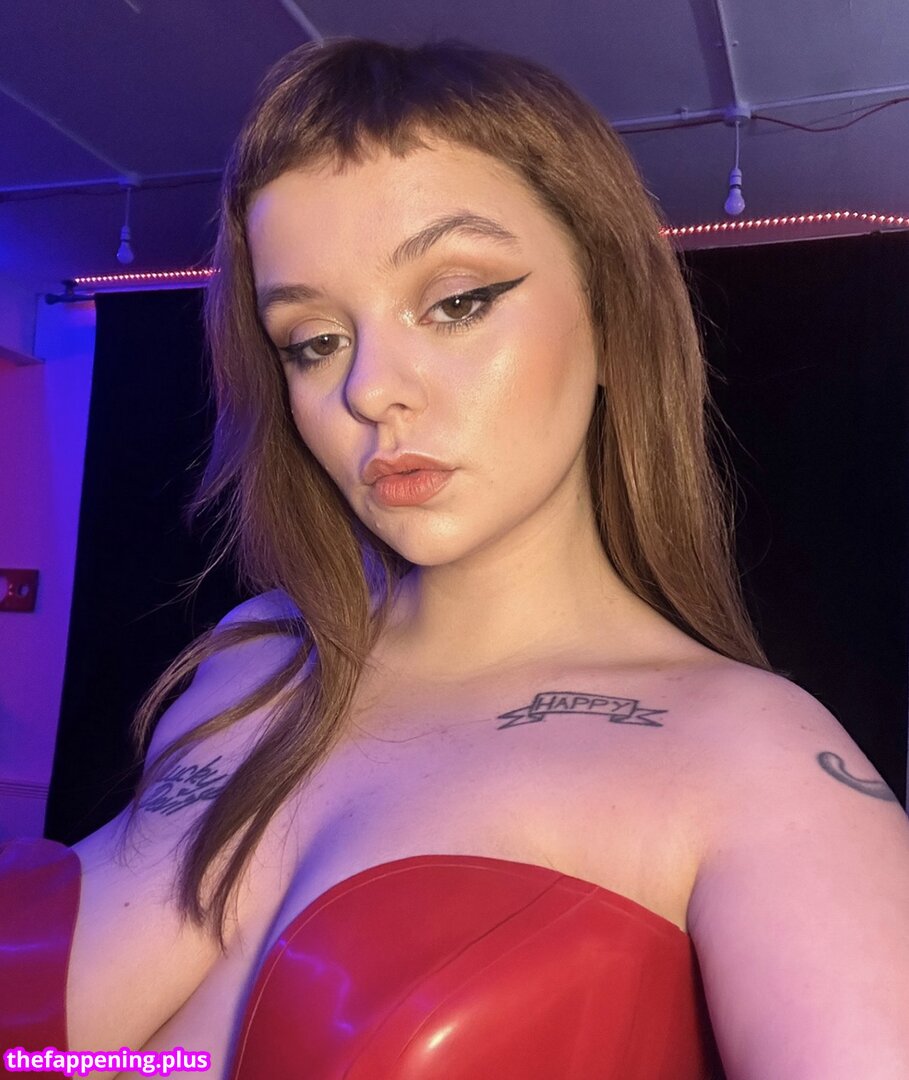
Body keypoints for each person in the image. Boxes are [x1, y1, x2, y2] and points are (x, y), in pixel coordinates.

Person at [2, 35, 908, 1080]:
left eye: (457, 301)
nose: (369, 390)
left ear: (613, 318)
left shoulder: (749, 759)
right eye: (314, 340)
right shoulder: (247, 658)